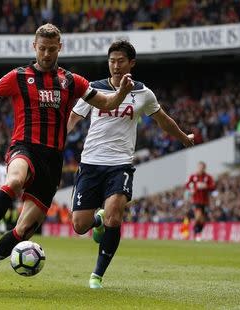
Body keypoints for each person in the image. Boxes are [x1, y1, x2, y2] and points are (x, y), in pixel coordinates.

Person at [0, 23, 134, 290]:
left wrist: (123, 93)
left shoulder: (72, 81)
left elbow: (106, 103)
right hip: (24, 147)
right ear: (34, 47)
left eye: (51, 49)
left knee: (23, 230)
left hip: (53, 160)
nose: (46, 54)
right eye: (42, 48)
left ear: (60, 48)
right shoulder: (18, 76)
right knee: (13, 181)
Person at [67, 40, 194, 289]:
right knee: (80, 225)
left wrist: (183, 138)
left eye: (120, 61)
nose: (115, 66)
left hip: (120, 165)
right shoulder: (93, 89)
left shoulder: (143, 93)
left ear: (131, 63)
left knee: (115, 217)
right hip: (91, 163)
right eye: (112, 61)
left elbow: (163, 120)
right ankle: (97, 220)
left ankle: (97, 275)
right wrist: (56, 141)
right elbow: (73, 118)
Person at [185, 161, 215, 241]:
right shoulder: (193, 176)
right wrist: (192, 187)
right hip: (196, 200)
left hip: (205, 201)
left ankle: (197, 231)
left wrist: (206, 186)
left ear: (204, 168)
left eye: (202, 167)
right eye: (199, 167)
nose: (200, 169)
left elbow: (213, 187)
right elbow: (187, 185)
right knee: (198, 216)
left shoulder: (208, 177)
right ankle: (196, 231)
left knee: (203, 220)